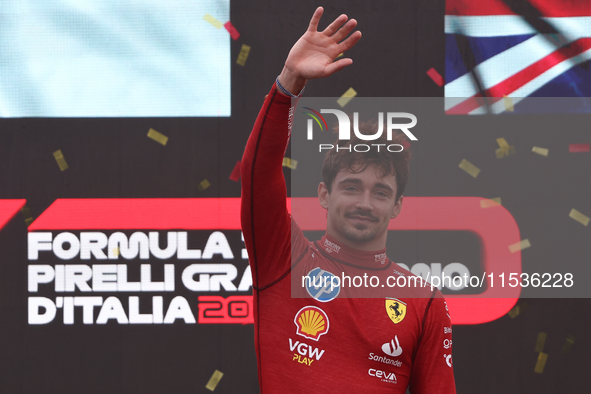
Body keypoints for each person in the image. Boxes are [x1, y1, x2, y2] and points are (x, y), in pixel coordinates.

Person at [241, 7, 456, 393]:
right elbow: (257, 173)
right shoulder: (284, 260)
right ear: (324, 194)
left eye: (381, 192)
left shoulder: (424, 301)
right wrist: (289, 83)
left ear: (397, 206)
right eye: (352, 187)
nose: (365, 203)